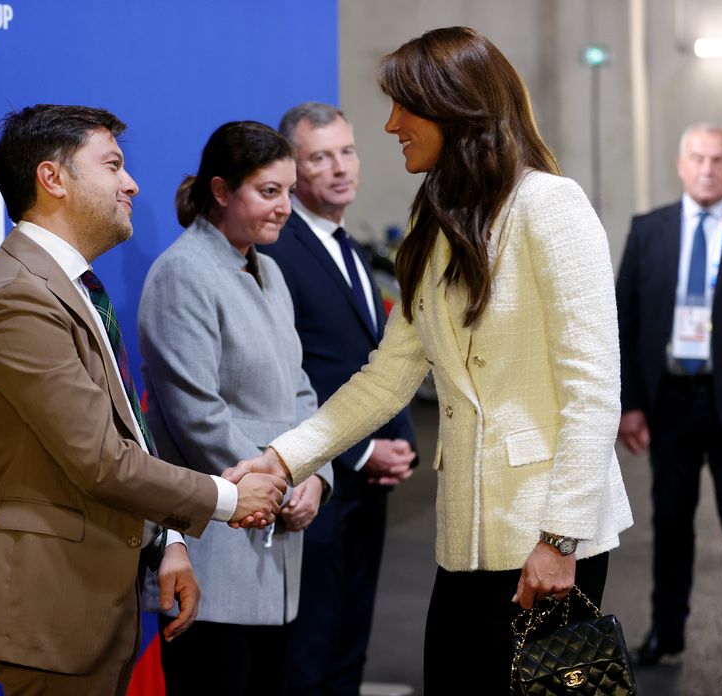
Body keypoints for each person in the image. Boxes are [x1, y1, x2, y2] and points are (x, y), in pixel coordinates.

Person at [226, 27, 633, 694]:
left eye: (403, 107)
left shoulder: (550, 207)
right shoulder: (432, 220)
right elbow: (389, 374)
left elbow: (593, 392)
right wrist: (281, 458)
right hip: (465, 540)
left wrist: (560, 541)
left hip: (551, 538)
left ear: (453, 108)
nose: (390, 125)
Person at [0, 104, 287, 696]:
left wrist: (169, 542)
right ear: (53, 179)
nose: (131, 183)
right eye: (113, 165)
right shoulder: (18, 299)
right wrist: (230, 498)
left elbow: (128, 429)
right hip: (56, 611)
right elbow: (101, 459)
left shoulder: (70, 287)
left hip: (97, 599)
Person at [137, 120, 334, 696]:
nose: (285, 209)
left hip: (274, 543)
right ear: (221, 191)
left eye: (289, 192)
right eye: (268, 192)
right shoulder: (181, 272)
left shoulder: (269, 270)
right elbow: (196, 414)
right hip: (213, 548)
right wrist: (279, 481)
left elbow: (300, 390)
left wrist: (315, 475)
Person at [257, 102, 417, 695]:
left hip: (369, 486)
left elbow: (378, 359)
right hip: (317, 484)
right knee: (310, 657)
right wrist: (354, 454)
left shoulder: (347, 245)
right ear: (294, 168)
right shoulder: (278, 251)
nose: (339, 167)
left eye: (346, 151)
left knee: (351, 647)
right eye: (319, 157)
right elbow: (287, 374)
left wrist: (401, 441)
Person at [617, 123, 722, 667]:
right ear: (681, 165)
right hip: (670, 404)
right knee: (672, 523)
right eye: (699, 159)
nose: (708, 169)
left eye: (718, 160)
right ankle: (666, 631)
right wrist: (630, 404)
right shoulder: (649, 230)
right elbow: (624, 321)